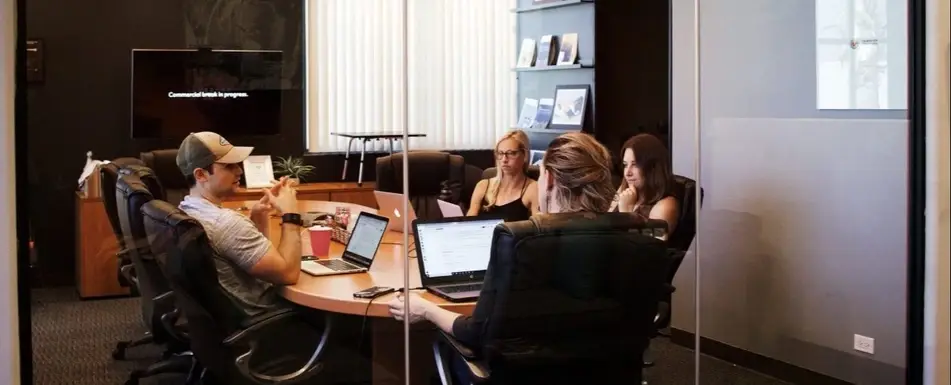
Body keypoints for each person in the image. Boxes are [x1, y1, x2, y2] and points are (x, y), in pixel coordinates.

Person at [388, 132, 615, 382]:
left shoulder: (521, 246)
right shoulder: (636, 239)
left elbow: (476, 330)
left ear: (548, 180)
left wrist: (425, 309)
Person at [176, 131, 303, 317]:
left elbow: (251, 258)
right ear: (201, 174)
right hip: (268, 319)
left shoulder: (186, 209)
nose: (239, 171)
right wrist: (291, 215)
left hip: (226, 322)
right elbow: (288, 274)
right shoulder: (225, 223)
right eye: (229, 166)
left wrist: (258, 216)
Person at [609, 134, 680, 240]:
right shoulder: (625, 190)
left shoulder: (666, 205)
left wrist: (627, 214)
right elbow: (605, 229)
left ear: (652, 168)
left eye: (635, 164)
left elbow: (649, 247)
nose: (627, 173)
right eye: (625, 165)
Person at [467, 130, 540, 221]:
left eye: (511, 153)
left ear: (524, 155)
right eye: (500, 153)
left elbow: (539, 229)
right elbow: (468, 224)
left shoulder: (533, 188)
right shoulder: (482, 186)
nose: (504, 159)